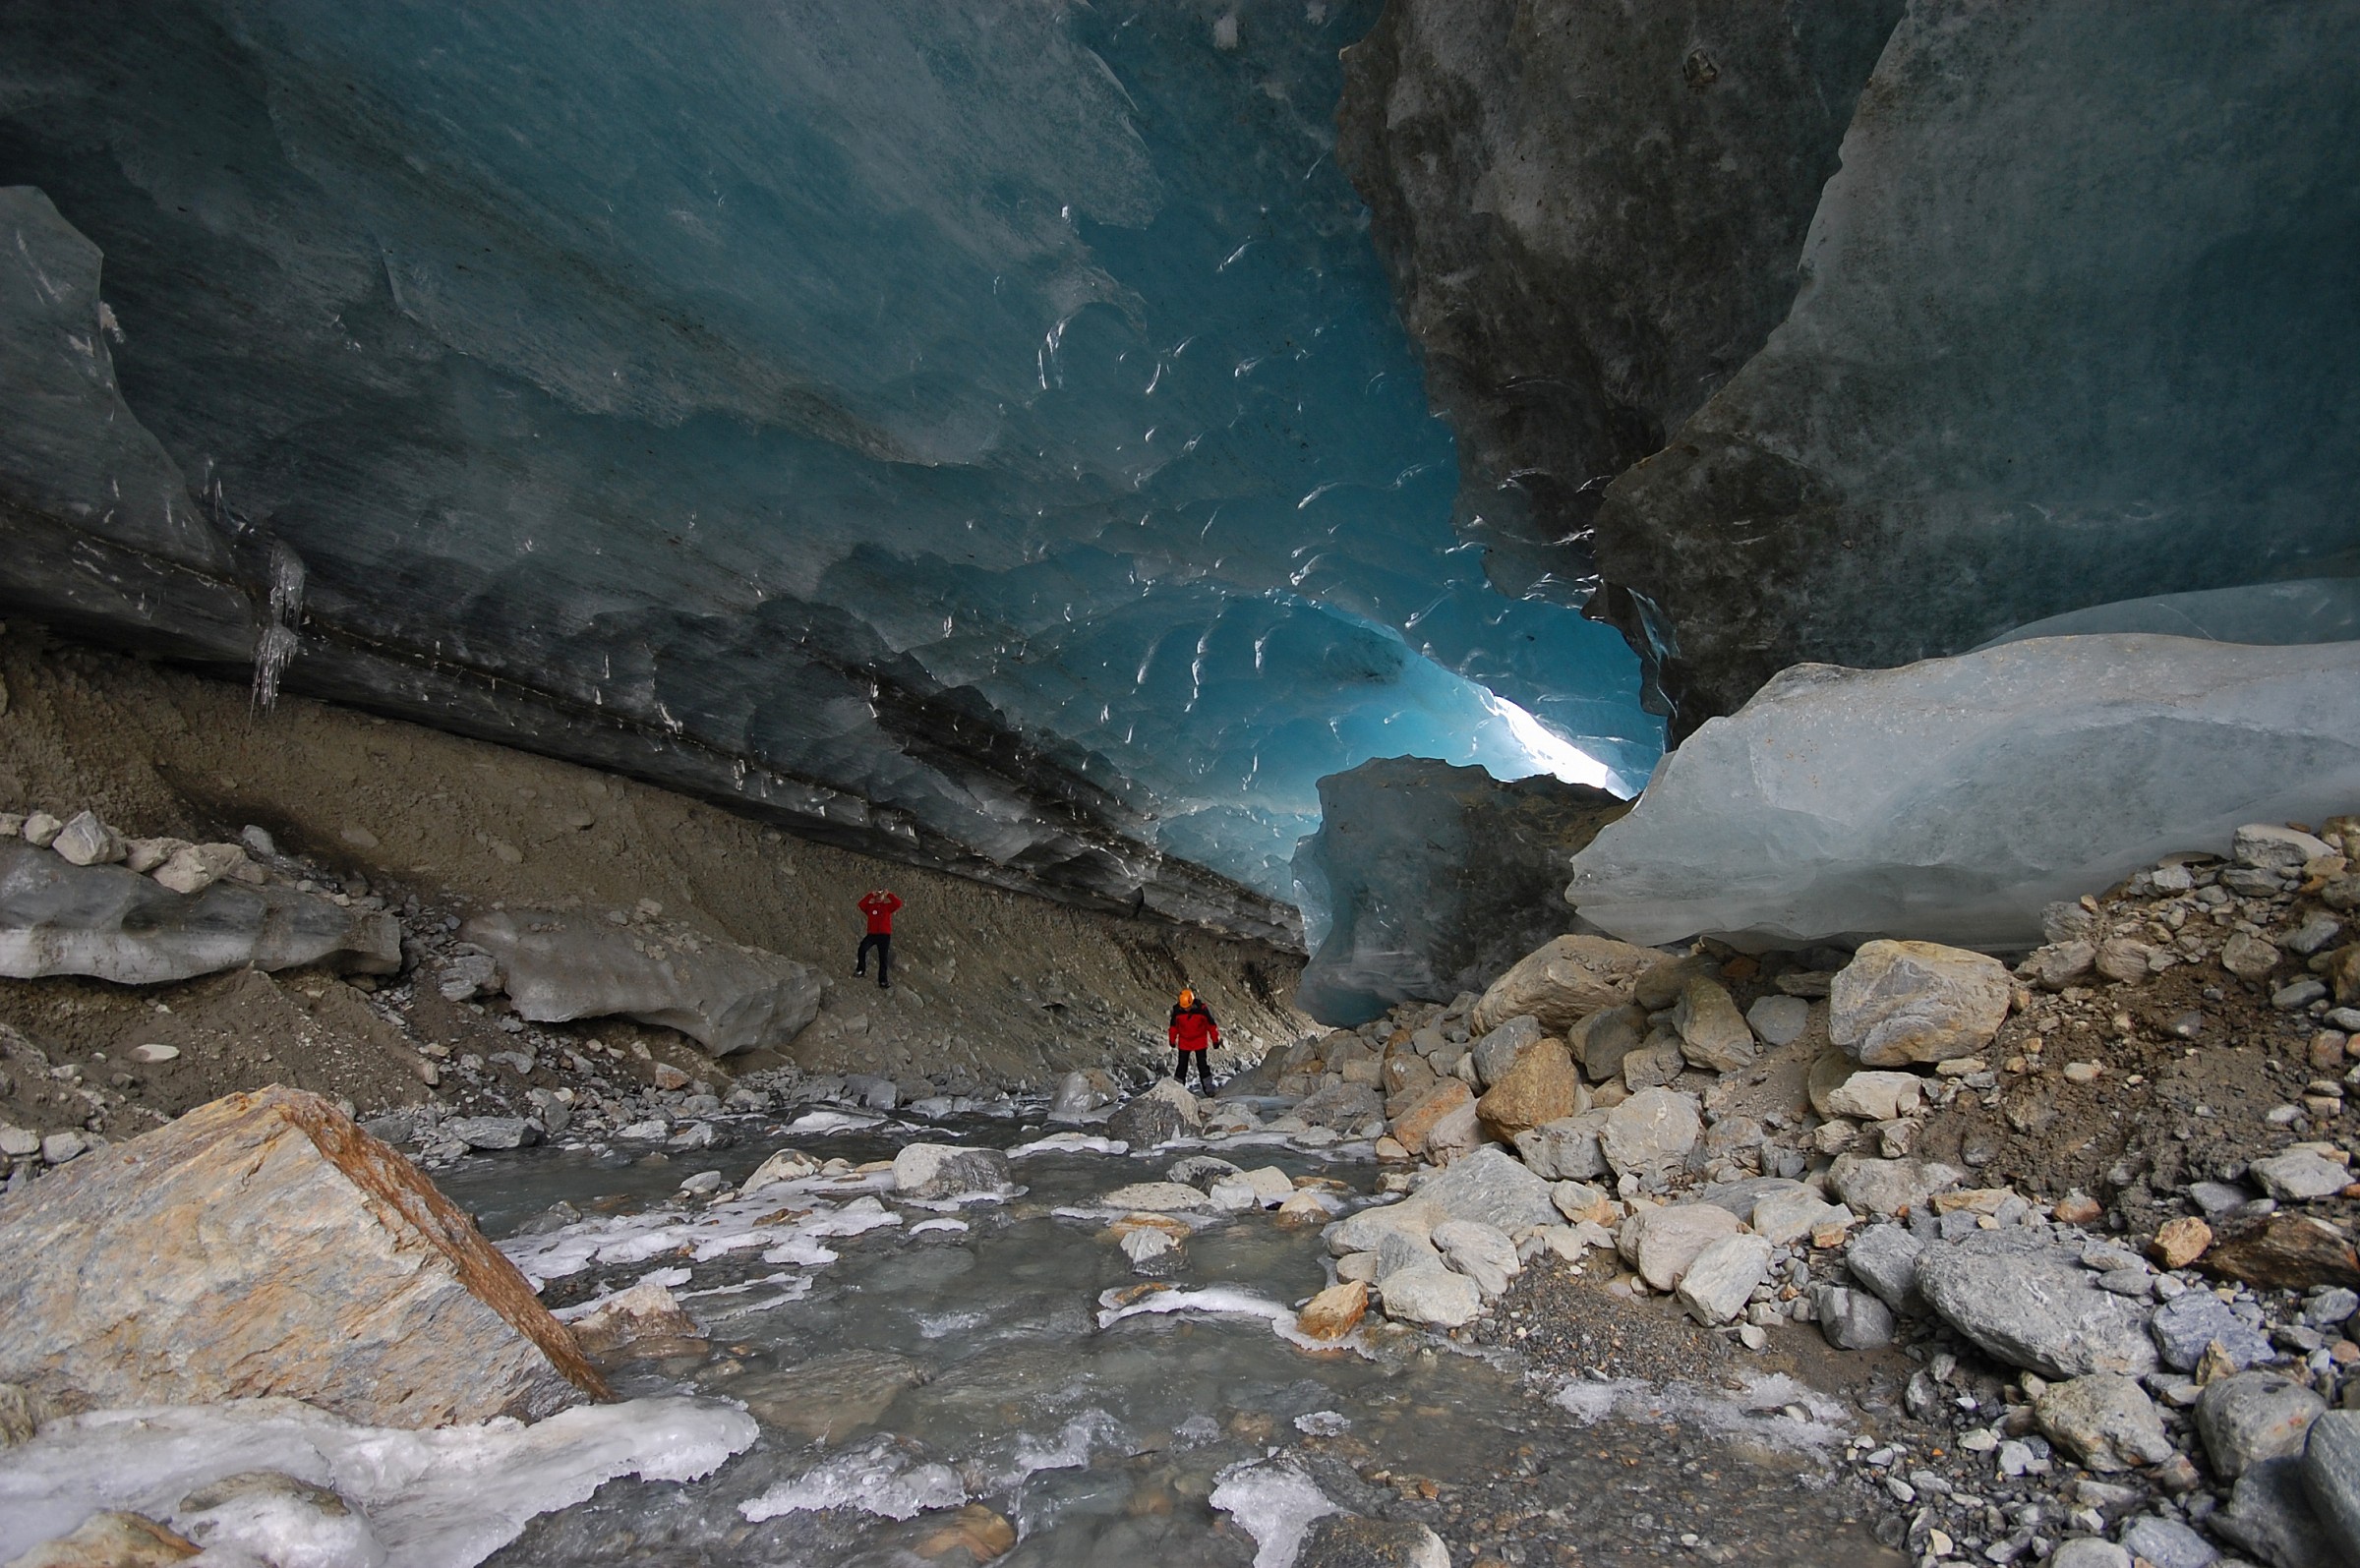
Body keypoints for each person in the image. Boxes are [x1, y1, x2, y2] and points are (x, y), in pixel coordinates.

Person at [1167, 986, 1219, 1093]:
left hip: (1199, 1040)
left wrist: (1215, 1040)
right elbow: (1173, 1028)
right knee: (1182, 1065)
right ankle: (1178, 1089)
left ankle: (1209, 1089)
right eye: (1184, 1007)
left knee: (1202, 1065)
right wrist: (1172, 1040)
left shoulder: (1202, 1009)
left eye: (1187, 1007)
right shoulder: (1177, 1011)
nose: (1186, 1009)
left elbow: (1211, 1025)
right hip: (1184, 1041)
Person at [854, 889, 901, 988]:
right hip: (872, 934)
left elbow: (898, 904)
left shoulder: (887, 907)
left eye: (880, 895)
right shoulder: (871, 908)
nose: (879, 897)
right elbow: (861, 904)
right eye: (877, 896)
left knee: (883, 958)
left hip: (884, 936)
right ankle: (861, 969)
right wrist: (870, 895)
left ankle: (883, 980)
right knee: (862, 949)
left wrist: (889, 894)